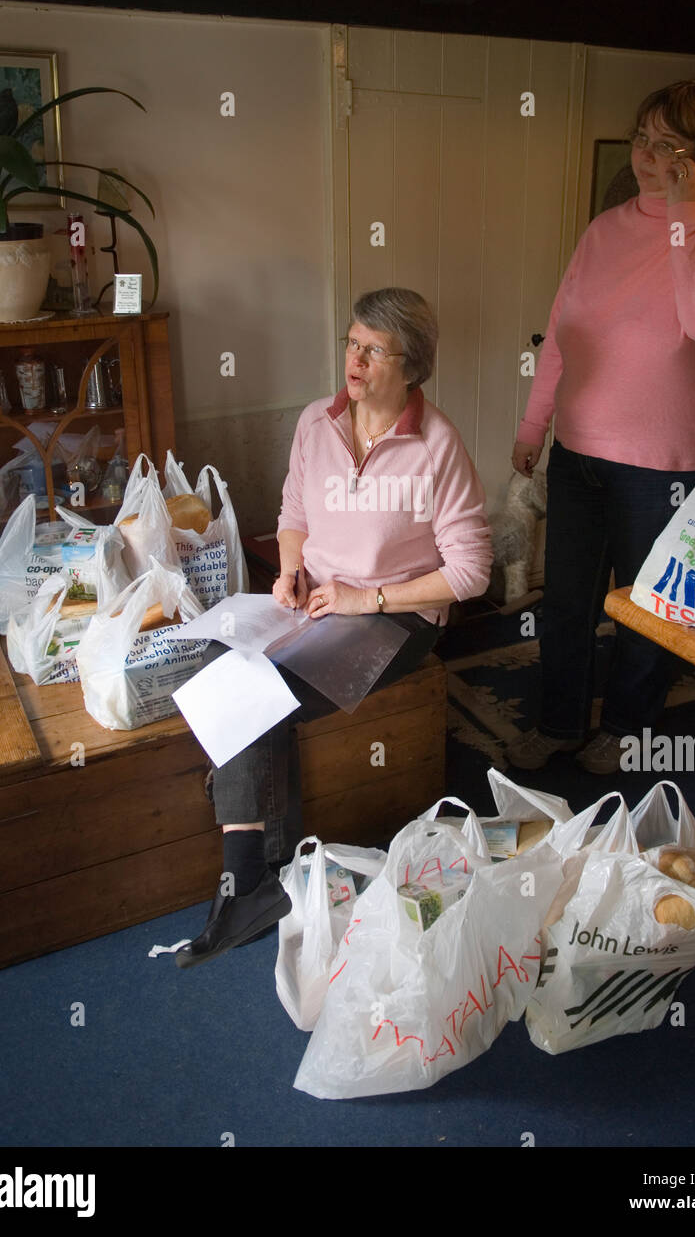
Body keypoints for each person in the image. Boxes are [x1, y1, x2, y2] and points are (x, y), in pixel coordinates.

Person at [177, 287, 492, 967]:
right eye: (352, 343)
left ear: (412, 367)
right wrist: (290, 570)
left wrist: (369, 599)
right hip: (316, 600)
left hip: (398, 618)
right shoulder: (317, 423)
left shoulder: (437, 446)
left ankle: (248, 884)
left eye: (374, 351)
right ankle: (264, 875)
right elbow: (294, 511)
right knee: (212, 655)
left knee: (258, 692)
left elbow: (471, 573)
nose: (355, 360)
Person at [507, 79, 695, 775]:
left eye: (668, 145)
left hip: (668, 466)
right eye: (642, 139)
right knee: (566, 603)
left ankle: (626, 727)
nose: (647, 155)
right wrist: (535, 425)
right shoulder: (603, 229)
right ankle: (558, 722)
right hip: (579, 452)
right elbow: (565, 333)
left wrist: (684, 210)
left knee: (646, 609)